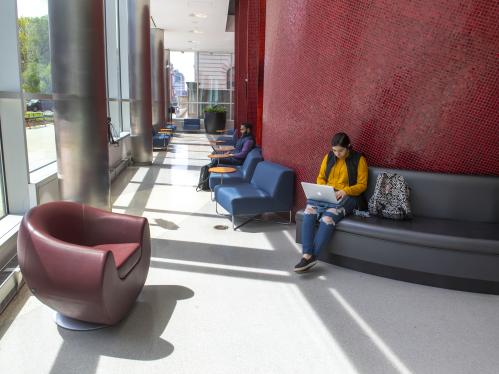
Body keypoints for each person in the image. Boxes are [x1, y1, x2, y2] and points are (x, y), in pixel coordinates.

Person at [294, 132, 368, 273]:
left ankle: (311, 256)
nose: (337, 153)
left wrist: (344, 191)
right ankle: (306, 255)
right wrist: (324, 188)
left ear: (349, 147)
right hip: (327, 194)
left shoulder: (359, 160)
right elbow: (321, 177)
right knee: (308, 212)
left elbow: (362, 185)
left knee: (327, 219)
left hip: (349, 196)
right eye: (334, 150)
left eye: (340, 150)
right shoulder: (328, 157)